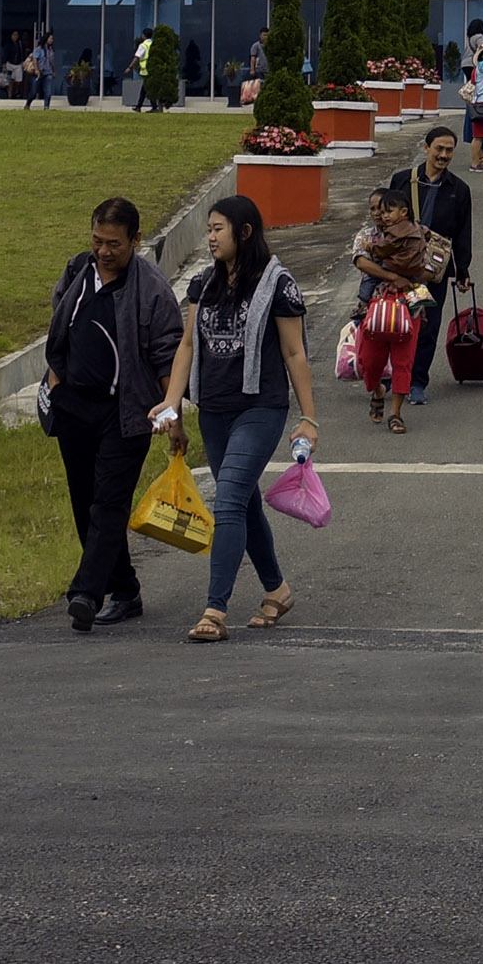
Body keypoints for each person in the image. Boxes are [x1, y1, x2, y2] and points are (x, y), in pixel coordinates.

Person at [153, 196, 321, 641]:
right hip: (214, 409)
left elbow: (294, 352)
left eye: (218, 229)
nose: (210, 238)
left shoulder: (278, 284)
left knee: (226, 500)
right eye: (208, 229)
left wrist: (309, 418)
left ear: (244, 232)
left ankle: (215, 610)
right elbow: (187, 347)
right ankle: (277, 589)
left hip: (260, 409)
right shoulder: (203, 284)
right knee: (242, 501)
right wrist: (173, 405)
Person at [44, 194, 184, 633]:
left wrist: (173, 415)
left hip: (127, 413)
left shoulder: (153, 290)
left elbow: (168, 356)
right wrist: (54, 382)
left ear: (136, 240)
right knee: (85, 503)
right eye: (97, 241)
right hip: (75, 406)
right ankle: (125, 589)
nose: (103, 251)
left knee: (108, 503)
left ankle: (86, 593)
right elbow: (59, 325)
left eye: (114, 244)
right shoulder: (76, 272)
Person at [349, 175, 439, 431]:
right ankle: (377, 390)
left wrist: (411, 273)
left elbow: (433, 267)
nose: (381, 214)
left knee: (403, 360)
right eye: (375, 209)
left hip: (409, 305)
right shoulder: (368, 235)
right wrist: (395, 276)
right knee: (368, 361)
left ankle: (396, 413)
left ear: (402, 211)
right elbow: (361, 261)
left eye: (386, 209)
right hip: (375, 305)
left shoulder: (419, 232)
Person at [403, 124, 475, 401]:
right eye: (439, 149)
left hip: (433, 273)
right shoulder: (403, 180)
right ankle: (392, 374)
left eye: (449, 150)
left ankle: (417, 380)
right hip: (400, 269)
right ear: (426, 148)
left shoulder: (459, 189)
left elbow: (462, 232)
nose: (443, 155)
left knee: (427, 324)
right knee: (396, 322)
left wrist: (462, 270)